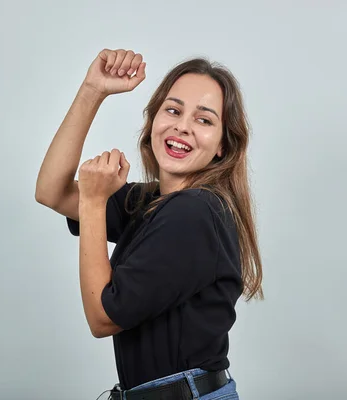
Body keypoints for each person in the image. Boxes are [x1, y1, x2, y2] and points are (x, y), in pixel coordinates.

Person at [35, 48, 263, 399]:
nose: (182, 126)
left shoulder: (195, 213)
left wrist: (95, 201)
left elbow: (102, 317)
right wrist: (92, 90)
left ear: (222, 145)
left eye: (204, 120)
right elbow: (52, 191)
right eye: (172, 110)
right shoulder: (155, 202)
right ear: (153, 120)